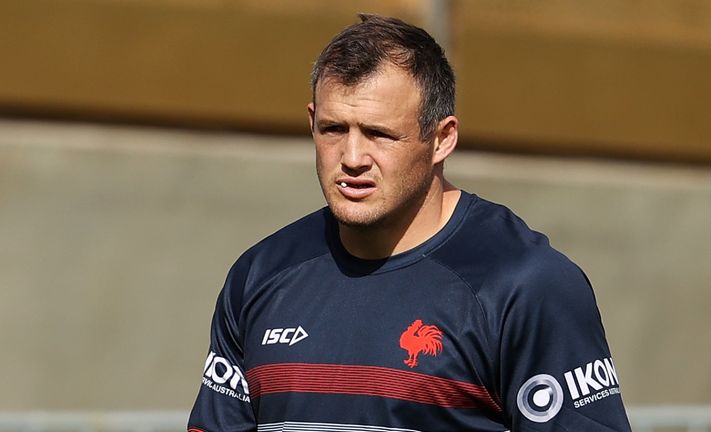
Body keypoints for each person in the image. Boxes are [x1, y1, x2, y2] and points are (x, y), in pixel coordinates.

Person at [188, 14, 631, 432]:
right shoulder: (260, 275)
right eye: (333, 129)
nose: (353, 158)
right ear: (311, 123)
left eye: (380, 134)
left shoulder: (527, 285)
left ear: (442, 139)